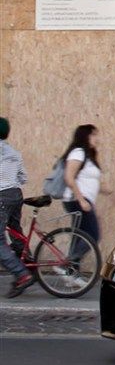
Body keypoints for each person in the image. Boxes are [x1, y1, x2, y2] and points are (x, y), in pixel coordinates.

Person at [61, 124, 111, 262]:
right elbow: (69, 178)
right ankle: (66, 263)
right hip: (76, 200)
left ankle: (70, 270)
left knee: (79, 237)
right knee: (93, 236)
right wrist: (81, 200)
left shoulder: (89, 156)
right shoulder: (78, 153)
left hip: (83, 200)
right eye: (93, 135)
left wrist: (107, 191)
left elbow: (88, 180)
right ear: (85, 136)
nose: (97, 138)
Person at [0, 117, 35, 298]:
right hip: (15, 194)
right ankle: (28, 264)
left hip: (1, 196)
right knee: (15, 231)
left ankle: (22, 275)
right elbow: (23, 178)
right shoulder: (14, 152)